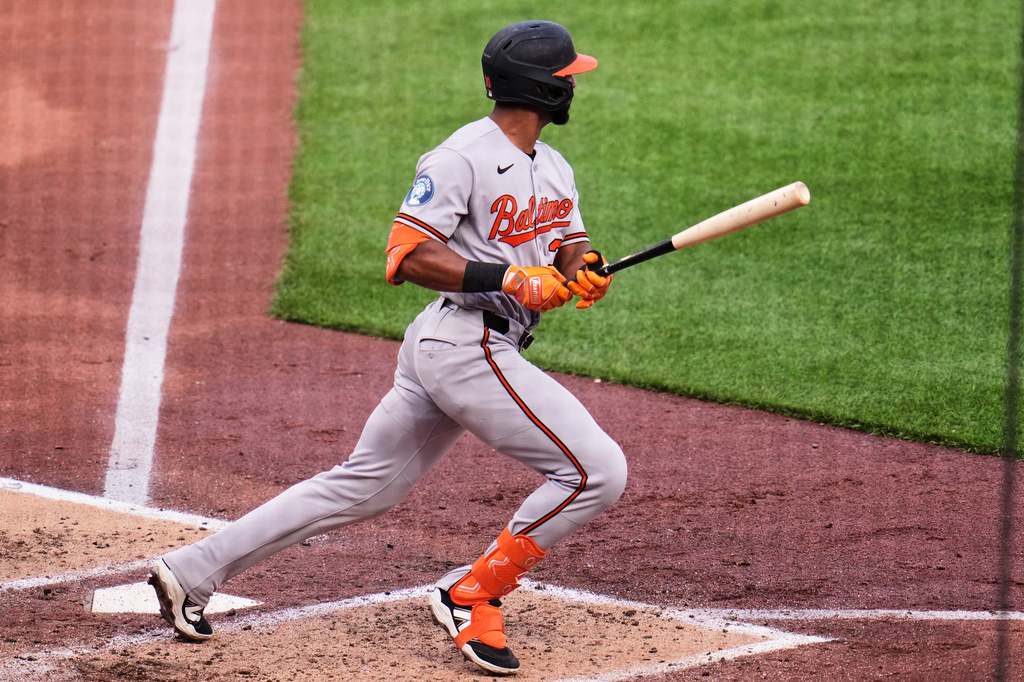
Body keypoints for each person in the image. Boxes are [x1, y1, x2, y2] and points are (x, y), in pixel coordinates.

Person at [148, 20, 626, 676]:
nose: (575, 85)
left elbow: (567, 240)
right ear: (542, 88)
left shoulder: (554, 164)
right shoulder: (461, 157)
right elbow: (407, 257)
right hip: (465, 346)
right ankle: (472, 593)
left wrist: (585, 268)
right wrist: (509, 278)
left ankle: (190, 571)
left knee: (363, 488)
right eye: (568, 77)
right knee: (596, 471)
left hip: (453, 349)